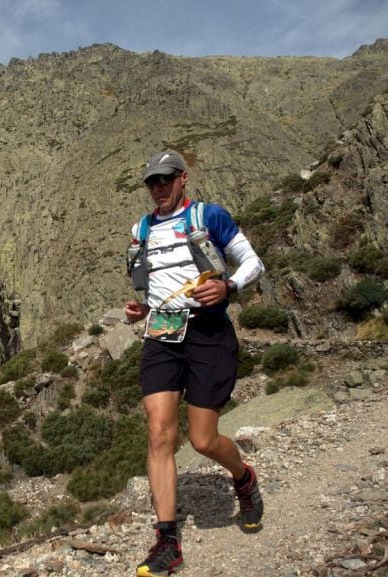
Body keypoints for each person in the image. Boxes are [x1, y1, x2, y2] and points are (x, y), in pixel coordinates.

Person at [124, 150, 265, 577]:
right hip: (162, 332)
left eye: (166, 179)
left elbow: (252, 262)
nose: (159, 187)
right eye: (152, 182)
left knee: (203, 440)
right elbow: (149, 284)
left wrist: (228, 286)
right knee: (159, 433)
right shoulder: (141, 229)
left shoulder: (209, 216)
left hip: (208, 333)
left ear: (184, 178)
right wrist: (139, 309)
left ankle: (243, 477)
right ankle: (167, 540)